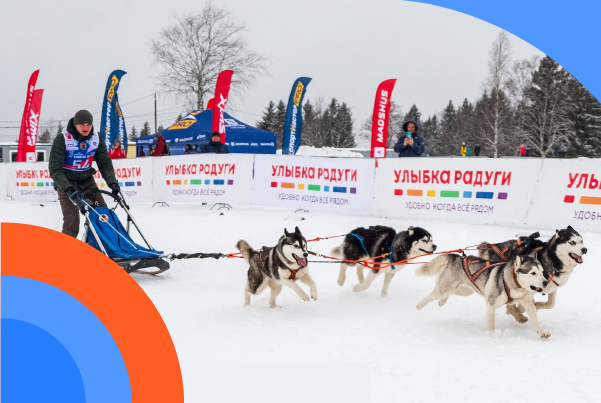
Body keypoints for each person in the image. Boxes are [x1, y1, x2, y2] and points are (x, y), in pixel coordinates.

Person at [49, 110, 120, 238]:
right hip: (66, 183)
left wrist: (112, 182)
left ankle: (104, 250)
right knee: (72, 222)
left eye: (88, 124)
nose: (85, 127)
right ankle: (65, 255)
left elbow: (105, 163)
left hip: (87, 180)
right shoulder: (63, 139)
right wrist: (68, 189)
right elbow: (55, 169)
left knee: (103, 216)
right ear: (75, 125)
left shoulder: (96, 139)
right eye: (82, 124)